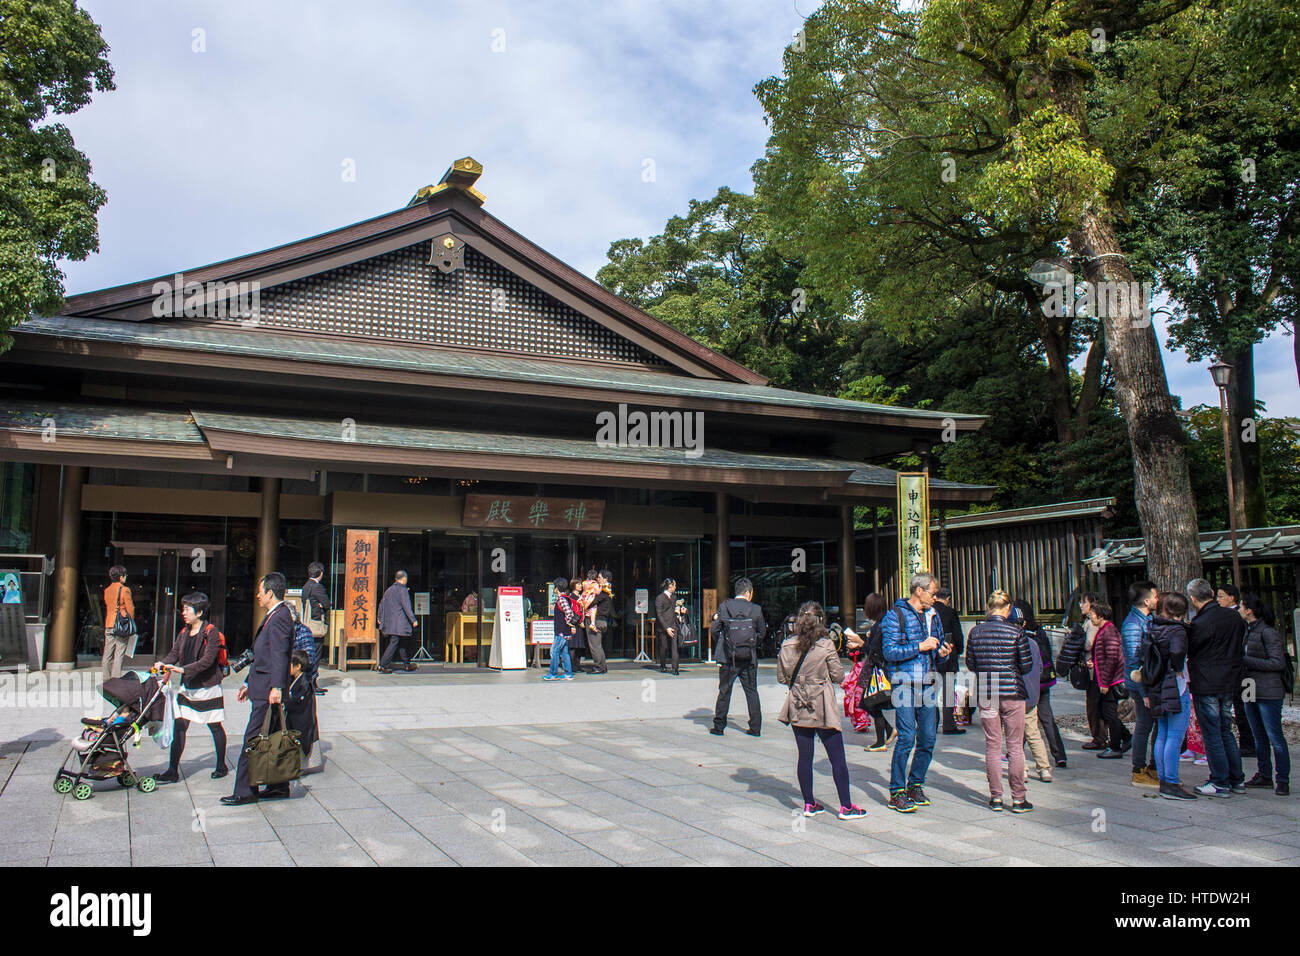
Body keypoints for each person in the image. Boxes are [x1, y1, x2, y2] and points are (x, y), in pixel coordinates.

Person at [778, 601, 866, 820]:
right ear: (820, 621)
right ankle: (846, 806)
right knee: (837, 757)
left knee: (804, 757)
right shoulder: (826, 645)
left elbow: (781, 677)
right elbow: (837, 675)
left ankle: (809, 803)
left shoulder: (787, 645)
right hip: (822, 704)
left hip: (798, 704)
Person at [880, 571, 952, 813]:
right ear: (919, 590)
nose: (935, 598)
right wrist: (920, 646)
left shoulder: (933, 615)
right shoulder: (895, 615)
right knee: (907, 737)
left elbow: (939, 644)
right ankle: (897, 790)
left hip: (929, 682)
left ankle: (916, 784)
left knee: (929, 737)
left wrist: (942, 652)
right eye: (932, 593)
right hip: (905, 683)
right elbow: (890, 651)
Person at [222, 572, 294, 806]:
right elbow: (262, 655)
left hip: (268, 691)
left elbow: (280, 656)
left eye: (260, 592)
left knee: (252, 738)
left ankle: (245, 791)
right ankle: (278, 786)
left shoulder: (281, 616)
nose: (257, 596)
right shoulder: (274, 616)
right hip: (261, 686)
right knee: (273, 737)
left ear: (270, 593)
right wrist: (247, 683)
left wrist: (277, 687)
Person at [966, 590, 1034, 812]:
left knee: (992, 745)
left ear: (988, 607)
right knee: (1015, 746)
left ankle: (995, 797)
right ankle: (1018, 798)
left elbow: (971, 664)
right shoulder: (1016, 632)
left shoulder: (975, 632)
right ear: (1007, 609)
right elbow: (1026, 666)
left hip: (987, 692)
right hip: (1012, 691)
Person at [155, 592, 227, 783]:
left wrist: (181, 669)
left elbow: (208, 661)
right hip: (188, 687)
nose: (184, 613)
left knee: (214, 725)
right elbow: (174, 653)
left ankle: (221, 765)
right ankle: (172, 770)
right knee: (180, 726)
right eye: (184, 608)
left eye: (187, 609)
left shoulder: (210, 631)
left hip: (207, 686)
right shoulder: (184, 632)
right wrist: (162, 663)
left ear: (200, 611)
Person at [1186, 577, 1246, 797]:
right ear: (1211, 592)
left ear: (1193, 599)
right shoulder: (1234, 617)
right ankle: (1236, 778)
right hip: (1229, 679)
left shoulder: (1199, 624)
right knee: (1225, 729)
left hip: (1207, 681)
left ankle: (1220, 780)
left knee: (1212, 732)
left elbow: (1192, 651)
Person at [1142, 591, 1195, 800]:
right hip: (1175, 683)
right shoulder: (1177, 630)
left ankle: (1163, 778)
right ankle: (1171, 781)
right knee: (1175, 734)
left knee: (1162, 733)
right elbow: (1177, 653)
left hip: (1155, 682)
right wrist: (1178, 665)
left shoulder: (1151, 626)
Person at [1240, 594, 1290, 796]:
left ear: (1249, 610)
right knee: (1258, 734)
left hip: (1268, 689)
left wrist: (1246, 660)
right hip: (1249, 685)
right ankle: (1264, 774)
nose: (1240, 610)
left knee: (1274, 735)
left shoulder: (1267, 633)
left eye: (1242, 607)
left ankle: (1283, 778)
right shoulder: (1247, 631)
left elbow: (1277, 662)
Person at [710, 577, 766, 736]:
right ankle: (755, 728)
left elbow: (714, 630)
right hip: (748, 658)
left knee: (724, 691)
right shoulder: (756, 609)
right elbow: (762, 633)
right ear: (749, 593)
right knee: (751, 691)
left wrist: (724, 643)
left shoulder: (724, 606)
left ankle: (719, 726)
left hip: (728, 657)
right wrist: (751, 646)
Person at [1016, 598, 1066, 768]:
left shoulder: (1021, 635)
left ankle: (1015, 752)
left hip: (1027, 682)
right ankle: (1059, 754)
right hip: (1044, 680)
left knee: (1022, 718)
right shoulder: (1039, 631)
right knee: (1046, 718)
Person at [1121, 580, 1161, 787]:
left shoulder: (1148, 620)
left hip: (1150, 681)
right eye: (1155, 596)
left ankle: (1154, 766)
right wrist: (1144, 691)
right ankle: (1139, 768)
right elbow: (1134, 663)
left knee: (1154, 725)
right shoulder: (1132, 626)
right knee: (1144, 725)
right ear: (1146, 600)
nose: (1157, 599)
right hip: (1140, 684)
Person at [845, 592, 894, 751]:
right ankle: (887, 733)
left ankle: (882, 740)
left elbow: (874, 651)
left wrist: (860, 642)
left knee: (870, 703)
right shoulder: (883, 623)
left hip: (876, 672)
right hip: (877, 670)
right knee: (870, 703)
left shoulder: (879, 626)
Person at [1011, 604, 1052, 784]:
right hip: (1033, 693)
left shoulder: (1011, 643)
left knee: (1016, 735)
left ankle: (1023, 770)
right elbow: (1040, 668)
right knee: (1033, 732)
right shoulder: (1033, 643)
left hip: (1016, 693)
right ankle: (1044, 769)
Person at [1215, 583, 1255, 757]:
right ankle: (1248, 742)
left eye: (1221, 595)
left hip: (1245, 671)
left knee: (1245, 705)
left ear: (1232, 597)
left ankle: (1250, 743)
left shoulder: (1236, 617)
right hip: (1239, 669)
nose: (1218, 599)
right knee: (1241, 706)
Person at [1089, 600, 1127, 759]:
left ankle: (1115, 746)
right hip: (1105, 677)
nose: (1090, 617)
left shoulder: (1109, 631)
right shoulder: (1103, 630)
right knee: (1106, 713)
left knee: (1109, 713)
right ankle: (1126, 737)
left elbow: (1112, 658)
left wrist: (1105, 682)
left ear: (1099, 615)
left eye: (1092, 614)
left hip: (1111, 680)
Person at [933, 587, 965, 735]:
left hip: (931, 655)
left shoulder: (929, 611)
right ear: (948, 598)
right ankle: (948, 724)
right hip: (949, 655)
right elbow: (958, 634)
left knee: (930, 692)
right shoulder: (950, 612)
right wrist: (959, 649)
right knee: (947, 692)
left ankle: (931, 723)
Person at [376, 570, 418, 674]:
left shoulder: (389, 590)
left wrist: (380, 617)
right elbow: (406, 606)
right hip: (400, 623)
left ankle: (407, 664)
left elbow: (381, 604)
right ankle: (382, 664)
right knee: (395, 642)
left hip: (390, 623)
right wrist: (413, 619)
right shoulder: (402, 590)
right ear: (405, 579)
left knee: (401, 643)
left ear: (396, 579)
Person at [286, 648, 320, 768]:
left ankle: (300, 766)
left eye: (289, 664)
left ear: (298, 666)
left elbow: (297, 702)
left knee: (302, 742)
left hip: (303, 719)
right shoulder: (294, 679)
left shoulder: (305, 683)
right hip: (296, 718)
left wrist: (286, 702)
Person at [301, 563, 330, 695]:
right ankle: (312, 682)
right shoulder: (317, 587)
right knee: (316, 654)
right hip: (315, 624)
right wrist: (320, 605)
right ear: (321, 573)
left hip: (307, 623)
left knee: (308, 653)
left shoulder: (306, 586)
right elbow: (327, 604)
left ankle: (309, 682)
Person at [102, 565, 134, 680]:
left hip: (109, 623)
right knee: (119, 653)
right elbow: (130, 609)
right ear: (121, 577)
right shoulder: (125, 590)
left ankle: (105, 678)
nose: (126, 578)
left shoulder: (107, 590)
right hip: (121, 625)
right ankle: (115, 680)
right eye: (125, 575)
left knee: (107, 653)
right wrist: (131, 624)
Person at [543, 577, 576, 682]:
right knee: (564, 652)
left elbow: (569, 613)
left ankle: (553, 673)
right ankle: (568, 673)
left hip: (561, 631)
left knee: (554, 651)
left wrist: (566, 622)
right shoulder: (564, 598)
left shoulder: (561, 599)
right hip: (564, 631)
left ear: (556, 588)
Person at [586, 570, 613, 675]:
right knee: (598, 645)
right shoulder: (608, 591)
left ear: (605, 579)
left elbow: (593, 602)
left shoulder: (604, 591)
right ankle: (603, 666)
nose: (598, 579)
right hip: (603, 621)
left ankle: (598, 667)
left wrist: (584, 603)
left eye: (600, 577)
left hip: (596, 621)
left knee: (594, 645)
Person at [654, 578, 680, 675]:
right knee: (663, 647)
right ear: (670, 586)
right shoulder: (660, 598)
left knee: (674, 647)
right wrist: (666, 627)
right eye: (674, 585)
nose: (675, 587)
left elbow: (675, 610)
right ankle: (663, 665)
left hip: (673, 624)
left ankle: (675, 667)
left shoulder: (674, 597)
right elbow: (659, 614)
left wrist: (681, 611)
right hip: (663, 626)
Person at [567, 578, 587, 674]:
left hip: (580, 624)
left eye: (580, 584)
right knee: (572, 646)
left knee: (579, 646)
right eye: (578, 584)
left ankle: (578, 665)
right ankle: (571, 666)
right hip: (573, 624)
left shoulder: (581, 597)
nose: (580, 586)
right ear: (573, 585)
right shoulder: (571, 597)